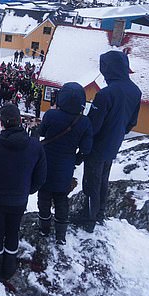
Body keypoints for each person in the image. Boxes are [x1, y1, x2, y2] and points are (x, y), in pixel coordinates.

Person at [0, 104, 47, 281]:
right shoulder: (35, 146)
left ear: (2, 123)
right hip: (19, 199)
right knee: (13, 231)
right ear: (19, 121)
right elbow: (41, 176)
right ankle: (9, 267)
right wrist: (26, 191)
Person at [73, 51, 142, 232]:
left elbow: (93, 125)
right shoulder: (135, 91)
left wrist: (83, 144)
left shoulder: (105, 94)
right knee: (103, 179)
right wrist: (117, 133)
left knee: (91, 182)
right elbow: (132, 123)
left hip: (97, 145)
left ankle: (89, 218)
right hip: (114, 143)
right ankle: (99, 212)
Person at [37, 83, 93, 245]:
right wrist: (77, 159)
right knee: (62, 198)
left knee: (44, 196)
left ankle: (44, 228)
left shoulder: (51, 115)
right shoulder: (84, 122)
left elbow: (41, 133)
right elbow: (86, 148)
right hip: (66, 165)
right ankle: (60, 235)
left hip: (46, 163)